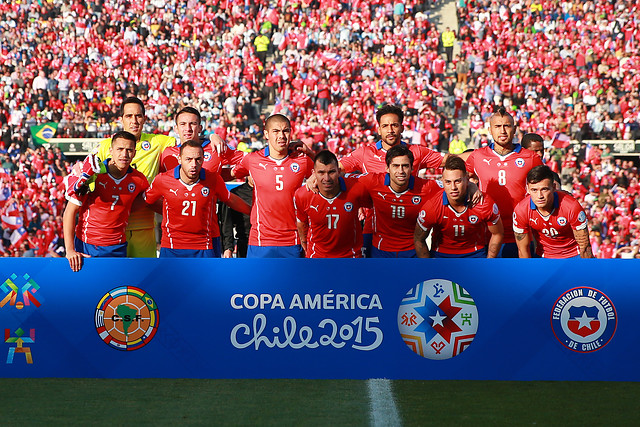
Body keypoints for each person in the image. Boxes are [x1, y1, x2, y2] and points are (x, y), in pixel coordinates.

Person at [338, 104, 448, 257]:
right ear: (378, 129)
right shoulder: (365, 153)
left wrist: (468, 178)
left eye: (394, 125)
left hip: (409, 232)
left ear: (402, 128)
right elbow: (335, 169)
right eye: (385, 126)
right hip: (374, 230)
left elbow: (450, 162)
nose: (390, 130)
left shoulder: (416, 152)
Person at [94, 97, 176, 258]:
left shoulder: (158, 142)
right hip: (110, 229)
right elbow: (86, 175)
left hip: (142, 227)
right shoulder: (105, 146)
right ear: (121, 119)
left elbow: (189, 147)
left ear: (145, 119)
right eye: (129, 116)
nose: (134, 121)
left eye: (138, 116)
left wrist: (212, 138)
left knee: (142, 282)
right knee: (113, 281)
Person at [144, 140, 251, 258]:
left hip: (203, 246)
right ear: (179, 159)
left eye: (198, 159)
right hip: (172, 246)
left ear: (203, 159)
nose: (194, 164)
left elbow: (230, 200)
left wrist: (252, 213)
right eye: (188, 159)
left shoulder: (213, 179)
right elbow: (146, 201)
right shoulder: (163, 180)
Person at [63, 131, 149, 272]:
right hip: (88, 245)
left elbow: (147, 201)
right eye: (120, 149)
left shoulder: (139, 180)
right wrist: (70, 250)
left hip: (118, 247)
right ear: (111, 151)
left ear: (134, 153)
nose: (124, 154)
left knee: (114, 293)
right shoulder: (92, 174)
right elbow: (69, 212)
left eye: (129, 150)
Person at [232, 113, 314, 258]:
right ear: (266, 134)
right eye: (276, 131)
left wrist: (311, 153)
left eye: (286, 131)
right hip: (260, 240)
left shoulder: (302, 161)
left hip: (292, 240)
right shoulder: (253, 160)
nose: (281, 136)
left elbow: (329, 172)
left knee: (291, 281)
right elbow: (229, 173)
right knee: (258, 281)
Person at [465, 107, 543, 257]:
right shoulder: (477, 156)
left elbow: (546, 186)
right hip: (488, 233)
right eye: (498, 126)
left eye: (507, 126)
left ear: (514, 129)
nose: (502, 131)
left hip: (524, 233)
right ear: (490, 130)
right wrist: (471, 185)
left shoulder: (531, 157)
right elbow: (461, 179)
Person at [358, 145, 442, 258]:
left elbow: (452, 187)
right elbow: (342, 180)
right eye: (396, 166)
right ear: (387, 168)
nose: (401, 171)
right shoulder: (373, 181)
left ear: (412, 168)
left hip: (412, 252)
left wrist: (470, 186)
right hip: (380, 251)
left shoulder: (426, 187)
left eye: (405, 166)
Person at [414, 155, 504, 258]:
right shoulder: (432, 206)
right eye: (448, 182)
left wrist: (489, 261)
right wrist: (428, 266)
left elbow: (498, 233)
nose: (453, 187)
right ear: (442, 181)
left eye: (458, 181)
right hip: (441, 255)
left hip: (476, 254)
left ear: (467, 179)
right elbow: (418, 239)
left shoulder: (483, 202)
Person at [294, 150, 370, 258]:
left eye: (331, 172)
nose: (327, 178)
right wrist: (304, 244)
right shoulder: (303, 194)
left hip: (350, 256)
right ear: (313, 173)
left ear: (339, 171)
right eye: (321, 173)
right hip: (317, 256)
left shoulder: (356, 188)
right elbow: (302, 223)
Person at [513, 165, 593, 259]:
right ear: (527, 189)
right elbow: (523, 249)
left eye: (544, 189)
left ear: (554, 187)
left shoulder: (571, 206)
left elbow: (585, 246)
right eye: (534, 190)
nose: (540, 196)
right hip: (543, 256)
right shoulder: (521, 210)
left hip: (574, 254)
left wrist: (586, 270)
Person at [159, 106, 243, 178]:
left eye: (193, 124)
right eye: (183, 124)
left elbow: (247, 161)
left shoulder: (215, 147)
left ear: (200, 128)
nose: (188, 129)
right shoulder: (167, 154)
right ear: (176, 129)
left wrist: (223, 175)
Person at [220, 179, 254, 258]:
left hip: (266, 243)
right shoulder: (236, 193)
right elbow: (227, 223)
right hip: (244, 243)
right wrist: (228, 248)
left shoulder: (268, 193)